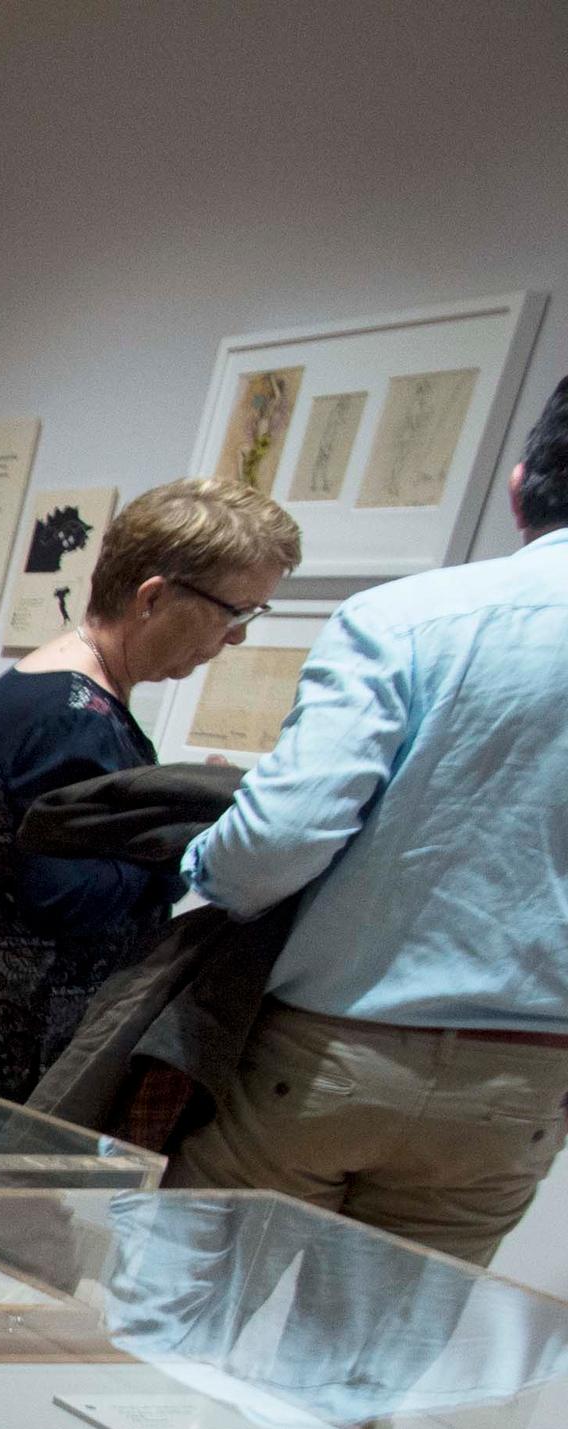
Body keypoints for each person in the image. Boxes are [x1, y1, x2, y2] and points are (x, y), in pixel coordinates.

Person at [168, 379, 568, 1264]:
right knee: (357, 1378)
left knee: (173, 1339)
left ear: (517, 486)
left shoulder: (411, 617)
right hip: (522, 1081)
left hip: (327, 1051)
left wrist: (200, 871)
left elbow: (279, 839)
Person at [0, 478, 297, 1099]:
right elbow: (68, 896)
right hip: (6, 1055)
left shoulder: (46, 688)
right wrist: (192, 839)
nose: (237, 635)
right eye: (234, 611)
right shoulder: (76, 718)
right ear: (153, 596)